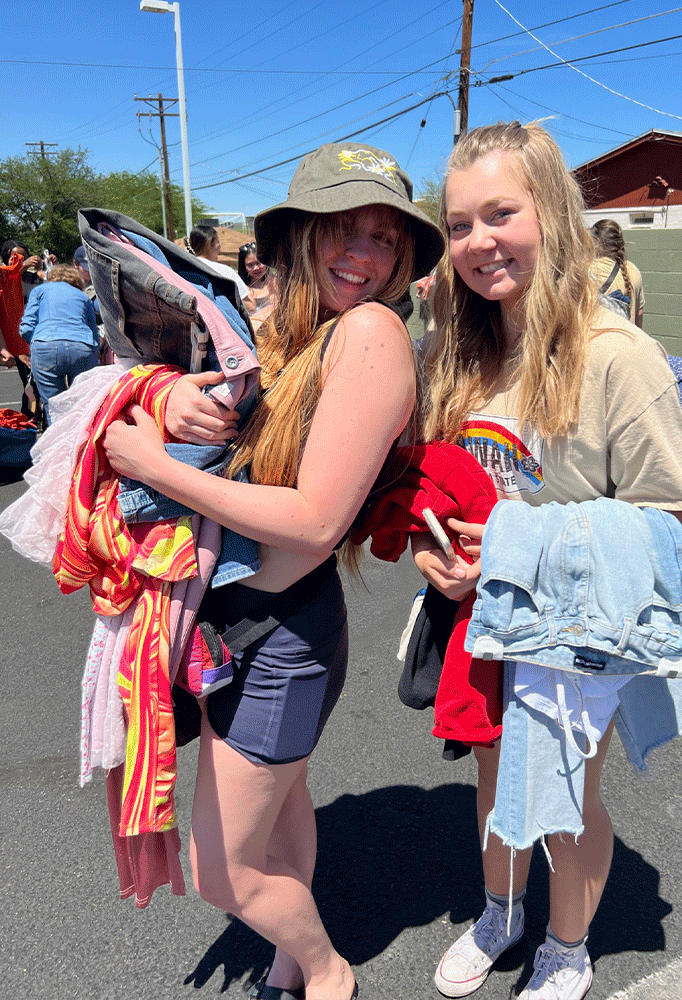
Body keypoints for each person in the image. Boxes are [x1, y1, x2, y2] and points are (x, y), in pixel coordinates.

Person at [102, 141, 444, 1000]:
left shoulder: (368, 332)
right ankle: (293, 964)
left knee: (222, 873)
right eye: (343, 229)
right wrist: (168, 402)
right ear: (299, 234)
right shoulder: (296, 331)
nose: (363, 255)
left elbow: (316, 519)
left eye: (384, 239)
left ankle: (328, 975)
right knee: (286, 810)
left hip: (282, 634)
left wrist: (148, 463)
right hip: (237, 625)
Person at [414, 122, 682, 1000]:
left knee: (568, 794)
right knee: (498, 780)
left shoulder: (617, 356)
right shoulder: (457, 349)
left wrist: (512, 552)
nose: (478, 242)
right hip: (477, 614)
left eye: (501, 213)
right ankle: (502, 912)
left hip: (578, 624)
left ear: (557, 213)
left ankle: (566, 946)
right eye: (459, 225)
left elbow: (670, 512)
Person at [18, 263, 100, 426]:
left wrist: (36, 344)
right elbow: (94, 332)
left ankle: (58, 447)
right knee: (83, 403)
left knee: (53, 406)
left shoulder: (39, 291)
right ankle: (82, 445)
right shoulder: (82, 296)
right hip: (82, 346)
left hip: (46, 346)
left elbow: (26, 327)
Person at [0, 240, 44, 417]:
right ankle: (30, 419)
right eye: (15, 257)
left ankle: (33, 418)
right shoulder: (4, 278)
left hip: (40, 334)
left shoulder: (35, 278)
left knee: (40, 381)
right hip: (18, 338)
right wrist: (22, 266)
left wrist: (50, 266)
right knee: (30, 381)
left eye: (24, 256)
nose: (20, 260)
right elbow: (10, 283)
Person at [588, 219, 645, 327]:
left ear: (595, 243)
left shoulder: (590, 270)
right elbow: (639, 313)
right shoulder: (633, 270)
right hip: (629, 340)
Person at [188, 223, 251, 301]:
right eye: (218, 242)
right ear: (208, 244)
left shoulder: (182, 269)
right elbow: (250, 305)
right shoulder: (225, 272)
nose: (220, 247)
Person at [237, 240, 278, 321]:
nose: (256, 268)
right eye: (250, 265)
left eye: (258, 263)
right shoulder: (242, 289)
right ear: (244, 267)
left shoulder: (276, 282)